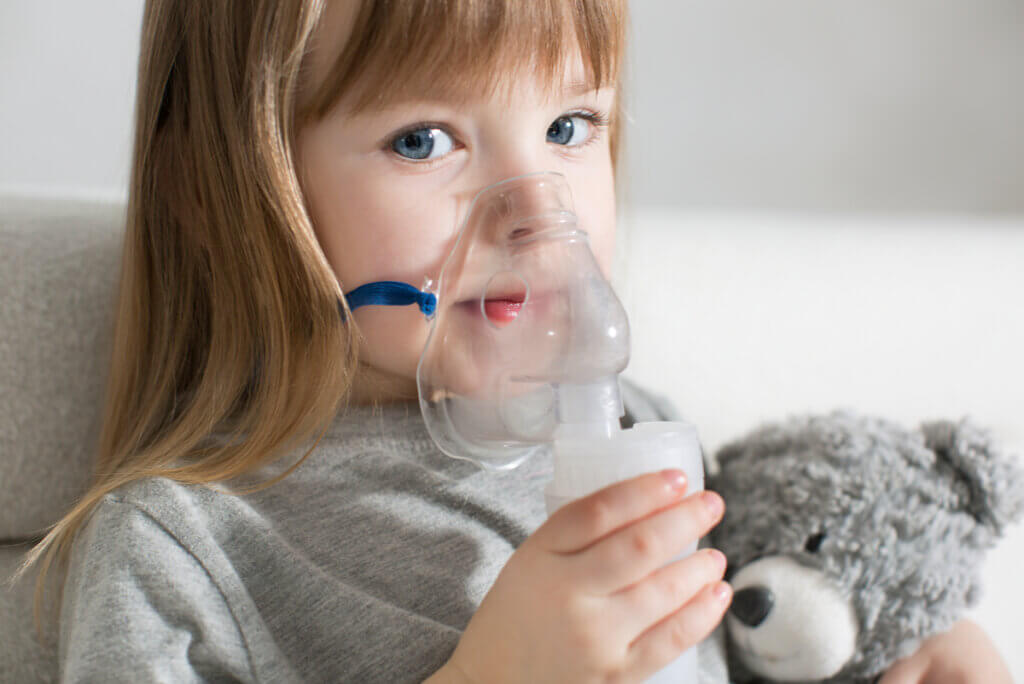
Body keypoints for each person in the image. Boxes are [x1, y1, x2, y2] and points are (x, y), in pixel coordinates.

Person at [7, 1, 1011, 682]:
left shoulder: (645, 432)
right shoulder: (184, 547)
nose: (538, 211)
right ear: (221, 194)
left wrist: (911, 649)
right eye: (423, 140)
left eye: (570, 126)